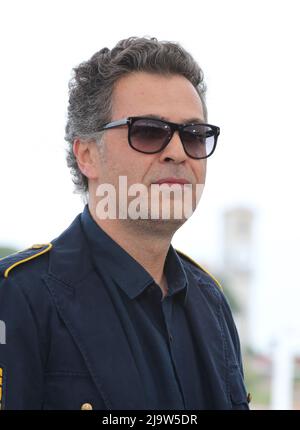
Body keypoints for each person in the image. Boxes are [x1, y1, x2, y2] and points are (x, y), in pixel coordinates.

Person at [0, 36, 250, 410]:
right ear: (87, 155)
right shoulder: (17, 297)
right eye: (149, 131)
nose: (177, 152)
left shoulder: (211, 301)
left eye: (195, 136)